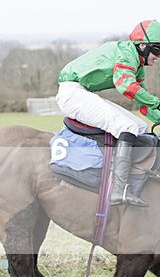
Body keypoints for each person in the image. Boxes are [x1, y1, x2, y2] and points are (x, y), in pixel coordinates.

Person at [56, 20, 160, 207]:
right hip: (72, 92)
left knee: (141, 127)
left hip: (82, 92)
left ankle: (137, 180)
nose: (158, 56)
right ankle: (119, 190)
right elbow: (126, 85)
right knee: (127, 126)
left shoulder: (137, 65)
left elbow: (141, 101)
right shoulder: (126, 52)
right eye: (158, 50)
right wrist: (157, 102)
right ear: (142, 45)